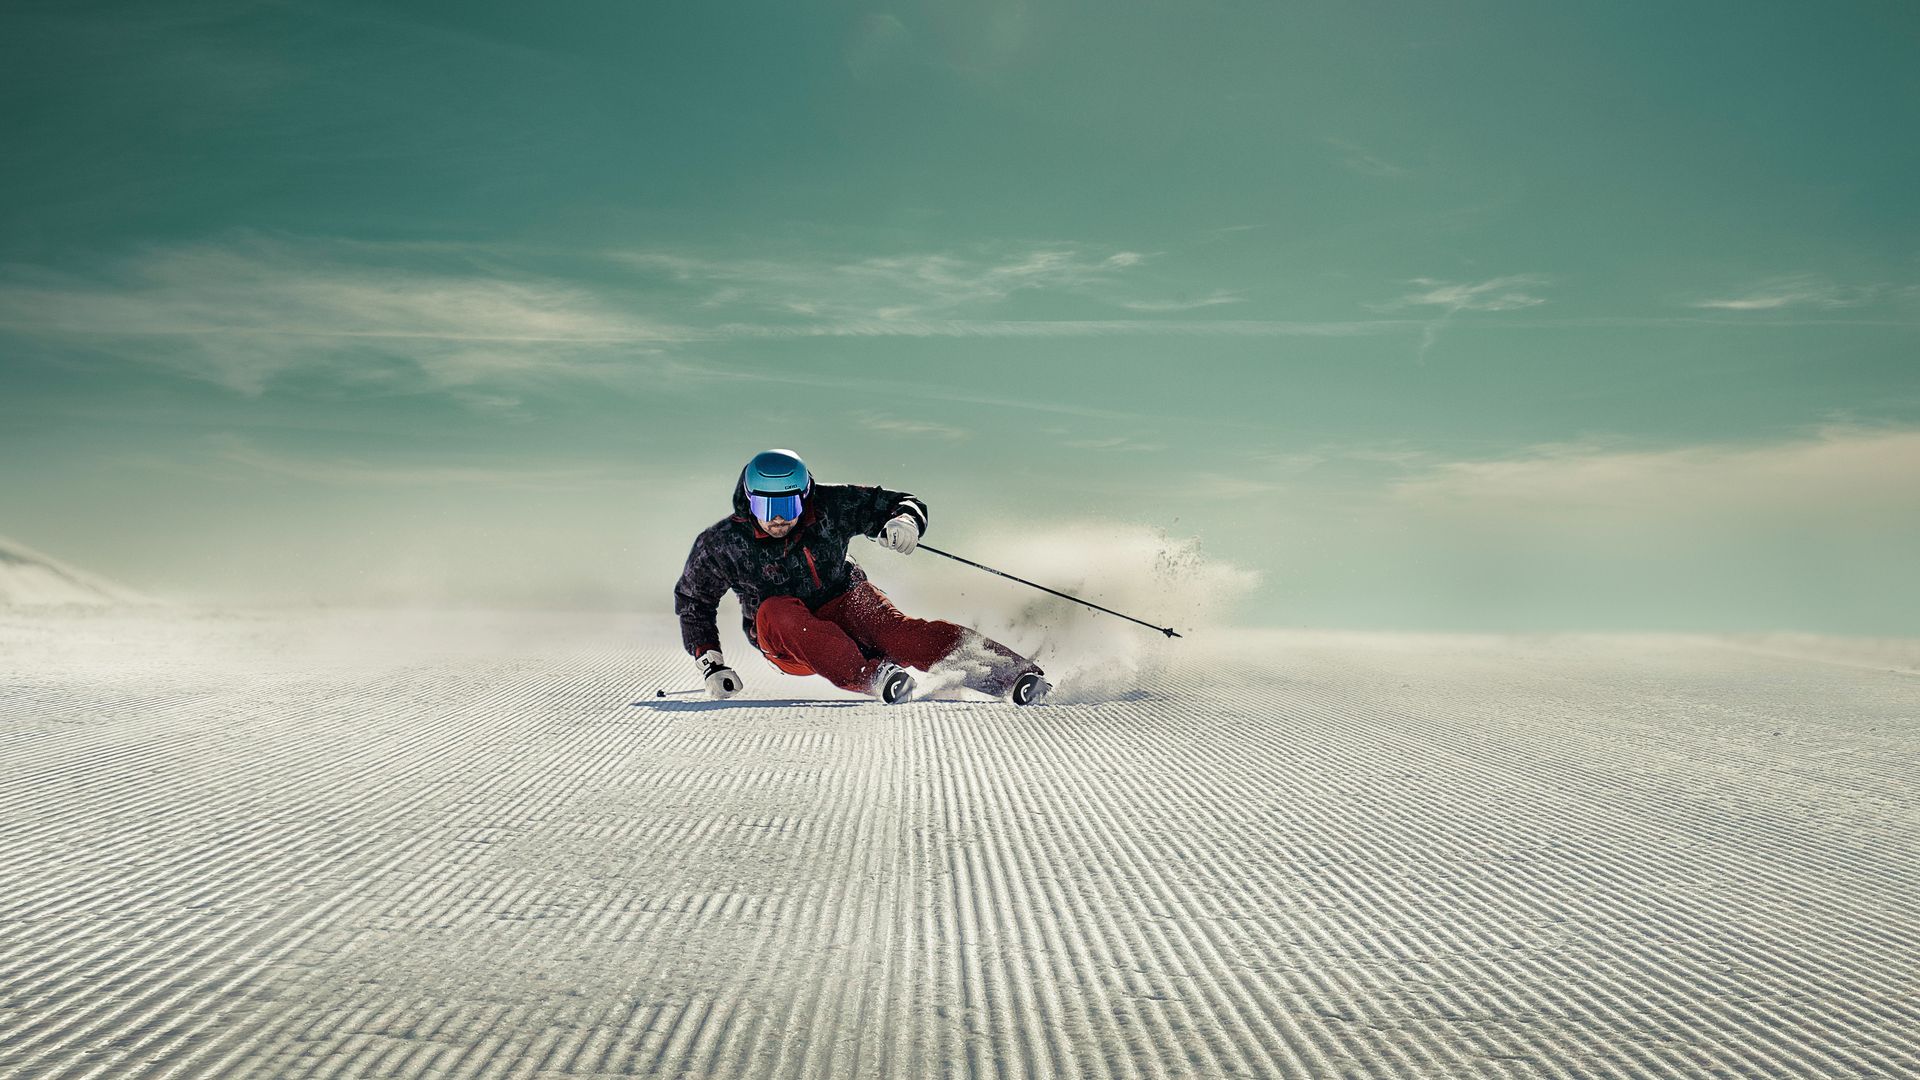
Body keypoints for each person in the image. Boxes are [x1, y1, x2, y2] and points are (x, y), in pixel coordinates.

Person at [673, 449, 1049, 704]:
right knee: (776, 609)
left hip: (844, 599)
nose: (777, 518)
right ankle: (874, 676)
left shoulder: (830, 507)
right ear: (748, 501)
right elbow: (695, 600)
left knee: (898, 633)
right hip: (787, 636)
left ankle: (1012, 676)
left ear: (804, 496)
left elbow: (904, 502)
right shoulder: (723, 543)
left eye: (787, 504)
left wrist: (903, 522)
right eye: (765, 505)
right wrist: (711, 662)